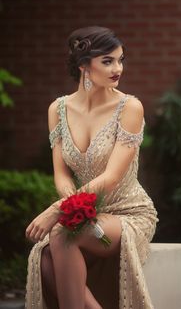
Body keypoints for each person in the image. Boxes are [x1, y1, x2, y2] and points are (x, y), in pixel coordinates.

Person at [25, 26, 158, 309]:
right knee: (45, 258)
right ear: (84, 65)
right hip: (83, 212)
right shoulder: (57, 109)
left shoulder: (130, 107)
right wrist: (71, 206)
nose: (117, 68)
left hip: (127, 213)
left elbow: (111, 178)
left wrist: (58, 210)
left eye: (121, 60)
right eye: (107, 61)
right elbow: (61, 174)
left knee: (60, 234)